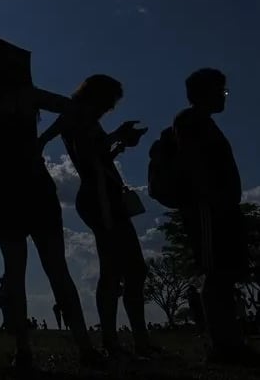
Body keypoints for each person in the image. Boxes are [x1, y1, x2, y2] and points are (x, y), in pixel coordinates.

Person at [0, 87, 102, 369]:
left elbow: (71, 108)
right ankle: (71, 347)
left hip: (15, 190)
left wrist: (44, 137)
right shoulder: (20, 97)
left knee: (31, 272)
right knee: (42, 272)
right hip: (16, 189)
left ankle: (34, 350)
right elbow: (71, 108)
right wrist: (43, 138)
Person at [41, 74, 155, 359]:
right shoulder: (75, 115)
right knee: (116, 268)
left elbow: (97, 156)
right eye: (108, 102)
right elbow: (81, 151)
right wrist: (115, 137)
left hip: (107, 196)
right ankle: (114, 339)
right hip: (98, 198)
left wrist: (118, 144)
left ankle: (134, 338)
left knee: (132, 269)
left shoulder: (87, 120)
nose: (109, 109)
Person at [174, 69, 258, 364]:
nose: (224, 97)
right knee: (215, 274)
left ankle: (230, 341)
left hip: (220, 208)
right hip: (208, 209)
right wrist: (211, 199)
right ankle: (223, 345)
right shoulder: (190, 122)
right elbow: (194, 165)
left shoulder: (204, 124)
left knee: (225, 272)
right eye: (220, 91)